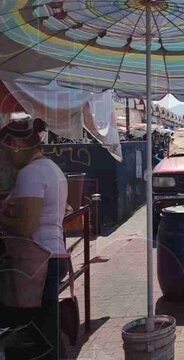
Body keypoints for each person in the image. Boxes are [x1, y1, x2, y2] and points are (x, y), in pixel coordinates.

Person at [0, 118, 68, 359]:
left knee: (37, 334)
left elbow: (26, 226)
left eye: (6, 150)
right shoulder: (51, 168)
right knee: (47, 330)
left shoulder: (30, 174)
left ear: (17, 145)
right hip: (50, 257)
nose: (6, 157)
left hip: (36, 263)